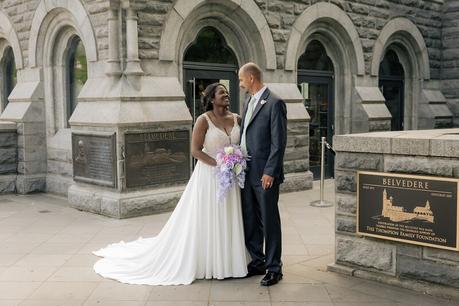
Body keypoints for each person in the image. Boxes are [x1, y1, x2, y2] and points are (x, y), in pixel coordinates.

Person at [93, 83, 248, 285]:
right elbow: (195, 150)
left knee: (230, 215)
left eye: (227, 92)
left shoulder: (237, 118)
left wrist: (235, 162)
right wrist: (219, 164)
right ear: (211, 99)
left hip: (232, 177)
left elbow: (241, 145)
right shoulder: (204, 121)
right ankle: (212, 261)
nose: (226, 95)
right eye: (221, 93)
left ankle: (231, 260)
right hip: (209, 176)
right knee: (211, 216)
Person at [238, 62, 287, 286]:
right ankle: (258, 261)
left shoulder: (275, 103)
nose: (239, 84)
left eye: (240, 79)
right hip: (246, 172)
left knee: (269, 221)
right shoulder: (248, 101)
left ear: (250, 78)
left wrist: (270, 171)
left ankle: (274, 268)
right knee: (250, 219)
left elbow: (279, 142)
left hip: (265, 175)